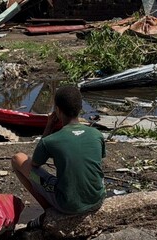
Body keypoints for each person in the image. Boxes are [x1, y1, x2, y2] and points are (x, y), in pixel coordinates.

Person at [11, 85, 106, 228]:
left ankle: (48, 210)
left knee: (17, 159)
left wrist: (48, 127)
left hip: (68, 204)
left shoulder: (51, 140)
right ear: (80, 109)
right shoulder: (96, 134)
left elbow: (35, 164)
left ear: (58, 110)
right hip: (97, 198)